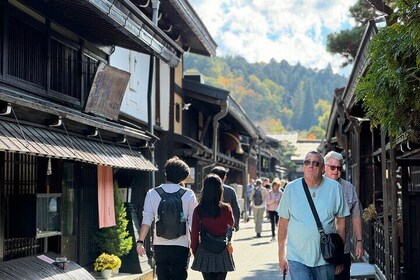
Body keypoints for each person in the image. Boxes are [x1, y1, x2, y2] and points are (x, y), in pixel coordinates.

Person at [277, 151, 349, 280]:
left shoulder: (335, 188)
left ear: (322, 168)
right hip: (297, 257)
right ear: (303, 166)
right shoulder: (291, 189)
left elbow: (341, 225)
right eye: (307, 162)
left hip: (326, 258)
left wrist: (339, 257)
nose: (311, 166)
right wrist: (281, 255)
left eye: (315, 163)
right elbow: (283, 223)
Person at [136, 156, 197, 280]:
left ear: (165, 173)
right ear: (183, 177)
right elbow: (193, 223)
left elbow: (147, 219)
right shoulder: (188, 194)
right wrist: (195, 244)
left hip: (160, 244)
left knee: (162, 276)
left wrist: (140, 242)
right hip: (182, 244)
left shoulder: (152, 193)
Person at [324, 151, 364, 280]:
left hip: (343, 249)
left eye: (339, 167)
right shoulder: (316, 186)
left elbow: (356, 215)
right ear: (325, 167)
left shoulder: (348, 188)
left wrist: (359, 241)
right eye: (332, 167)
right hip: (320, 249)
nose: (336, 171)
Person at [191, 174, 235, 280]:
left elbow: (194, 233)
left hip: (204, 249)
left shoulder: (198, 210)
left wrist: (195, 250)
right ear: (220, 189)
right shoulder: (226, 208)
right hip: (222, 249)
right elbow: (231, 224)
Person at [210, 166, 241, 231]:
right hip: (226, 224)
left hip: (209, 224)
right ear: (224, 178)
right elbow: (236, 209)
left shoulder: (206, 189)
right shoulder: (230, 190)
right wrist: (236, 224)